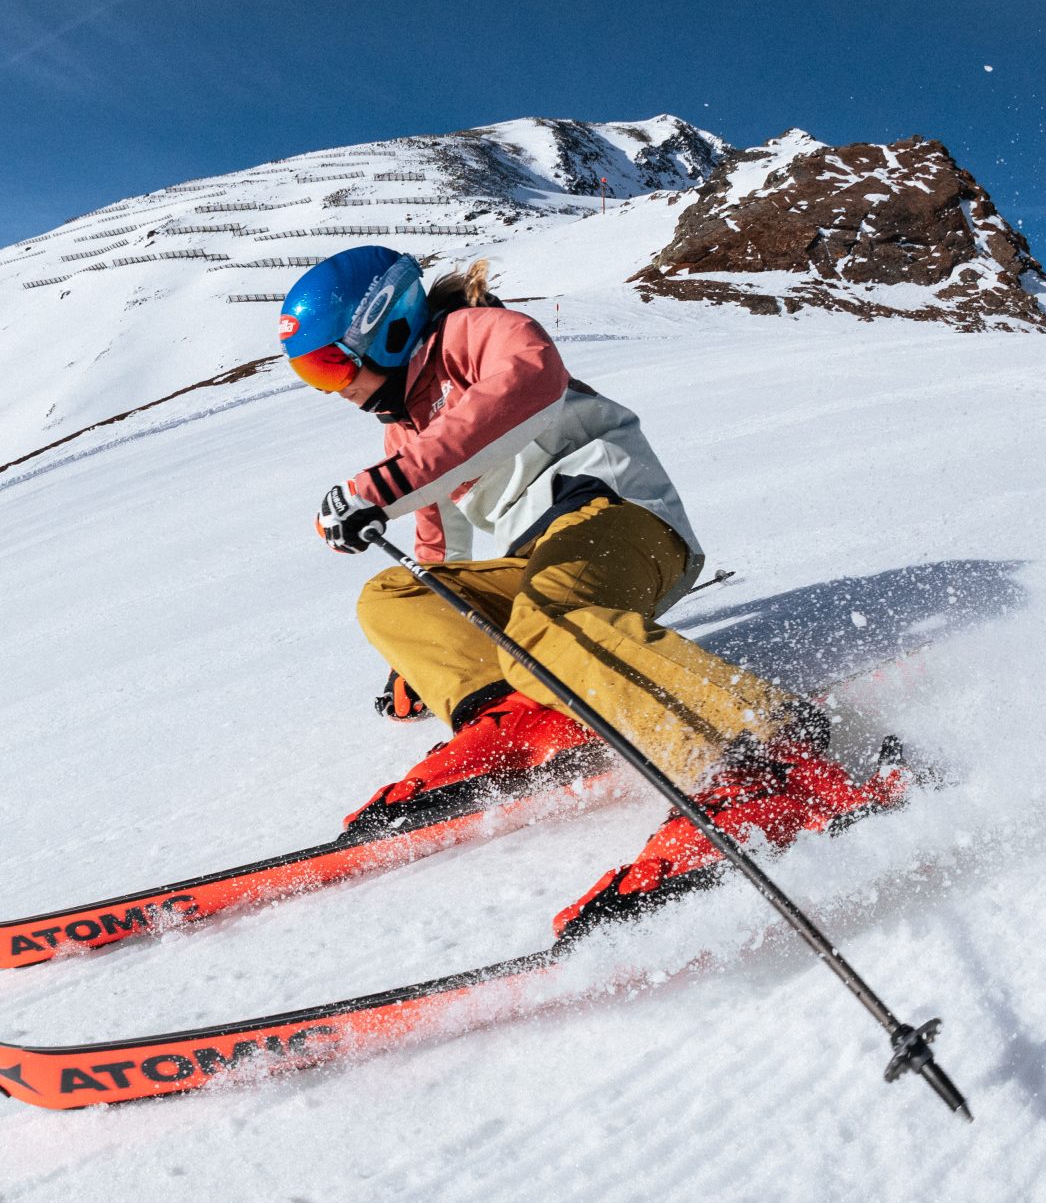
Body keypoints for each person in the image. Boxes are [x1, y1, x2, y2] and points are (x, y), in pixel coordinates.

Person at [279, 246, 907, 940]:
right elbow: (436, 552)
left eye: (331, 365)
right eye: (311, 376)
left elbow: (531, 377)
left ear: (386, 325)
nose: (332, 389)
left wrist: (386, 484)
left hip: (619, 516)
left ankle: (766, 754)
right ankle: (520, 715)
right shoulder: (408, 429)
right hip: (544, 558)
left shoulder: (471, 335)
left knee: (544, 624)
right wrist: (428, 666)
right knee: (392, 595)